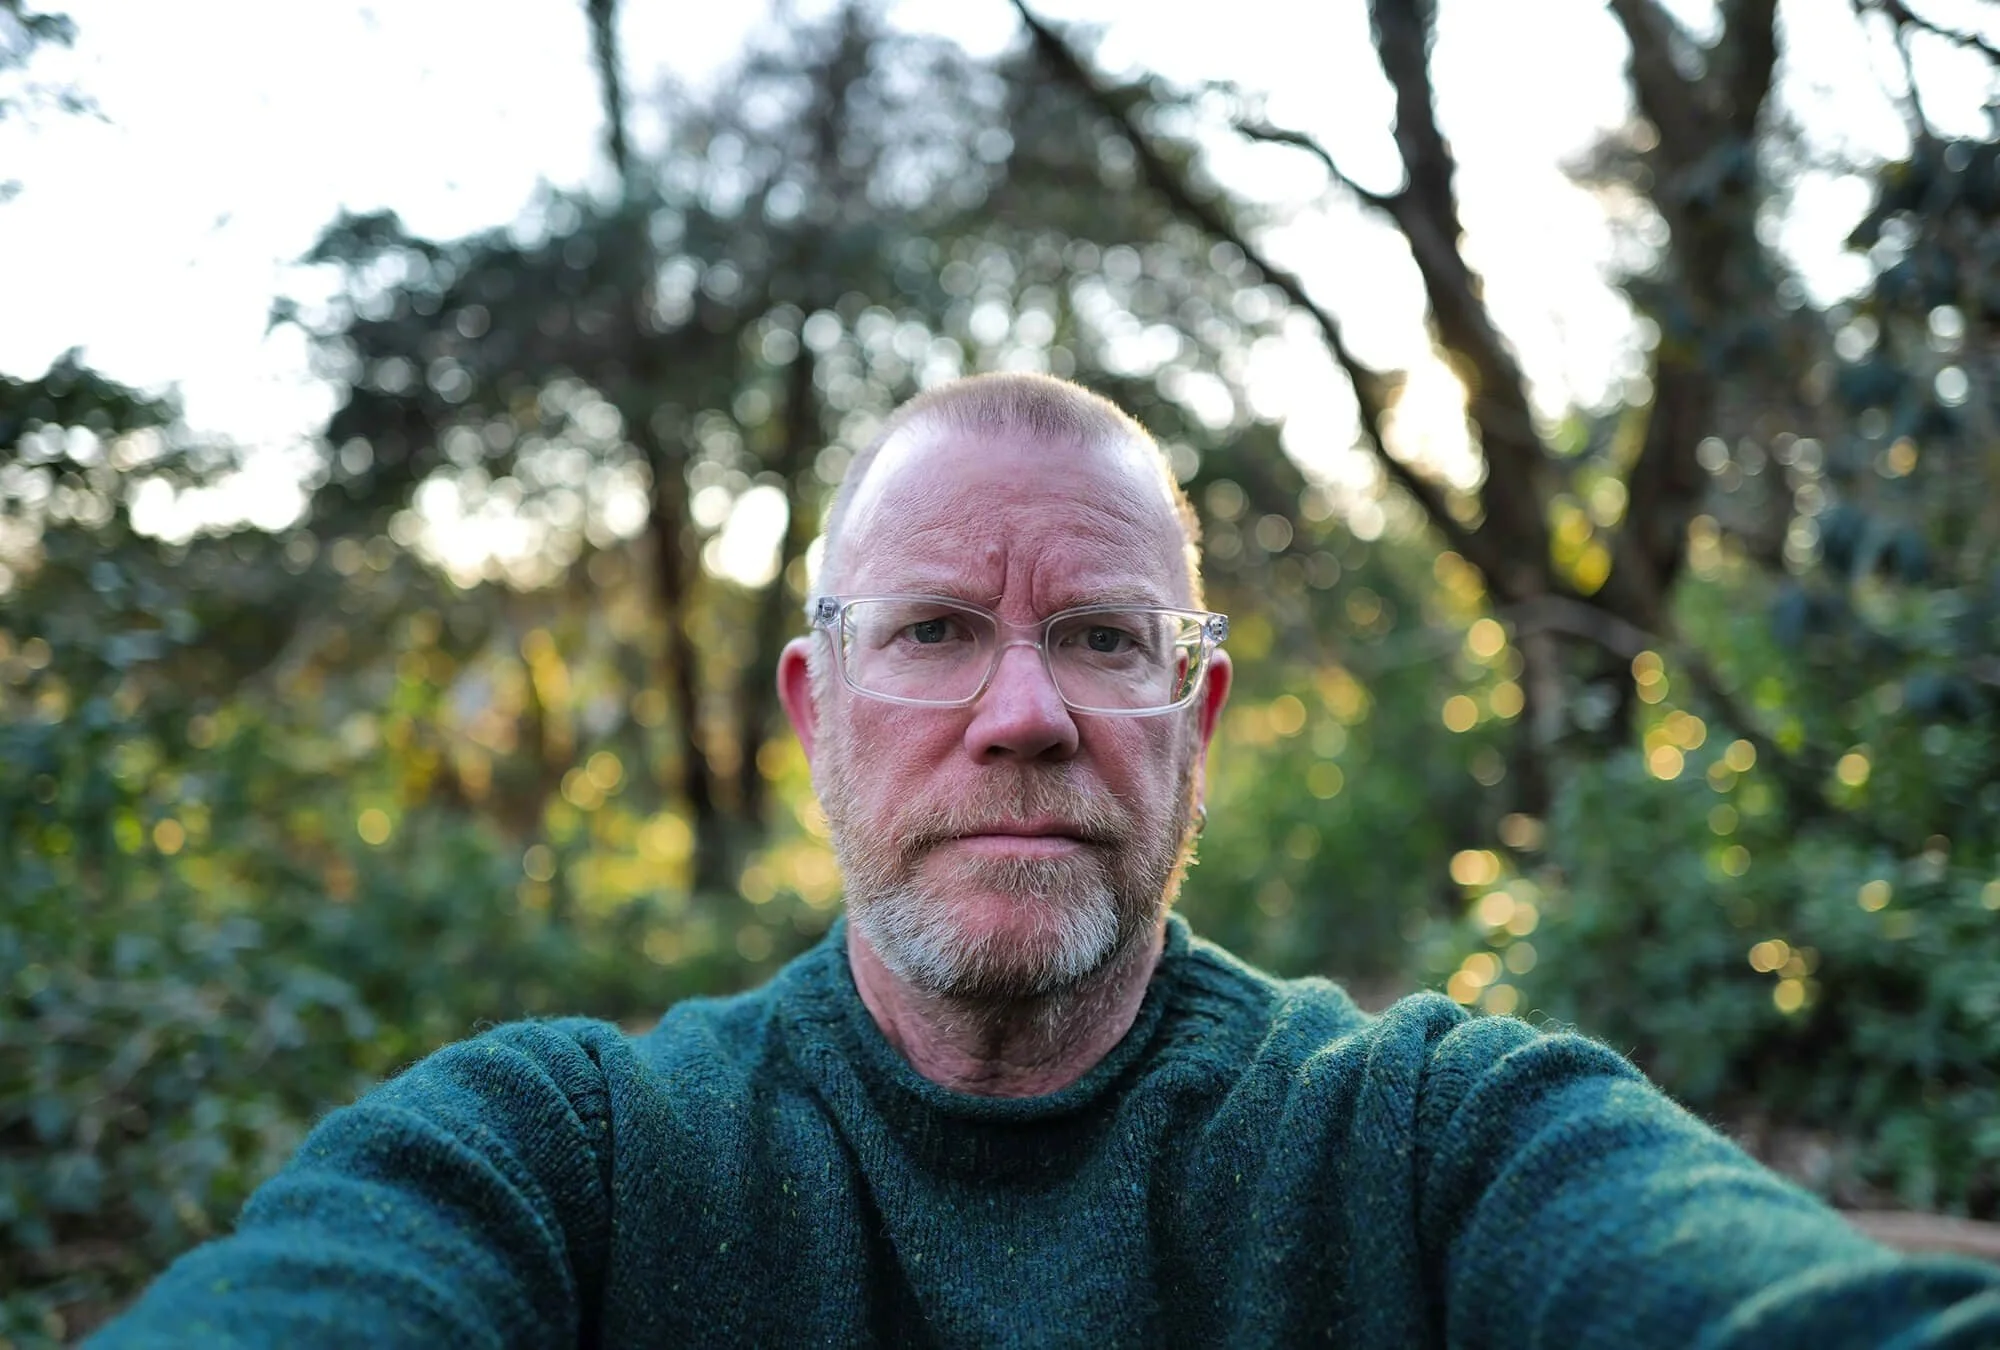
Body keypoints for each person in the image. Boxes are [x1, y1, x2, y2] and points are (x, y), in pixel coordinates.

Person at [94, 374, 1999, 1347]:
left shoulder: (1430, 1135)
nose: (1024, 714)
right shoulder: (568, 1156)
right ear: (814, 706)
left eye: (1101, 637)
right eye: (930, 631)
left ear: (1198, 716)